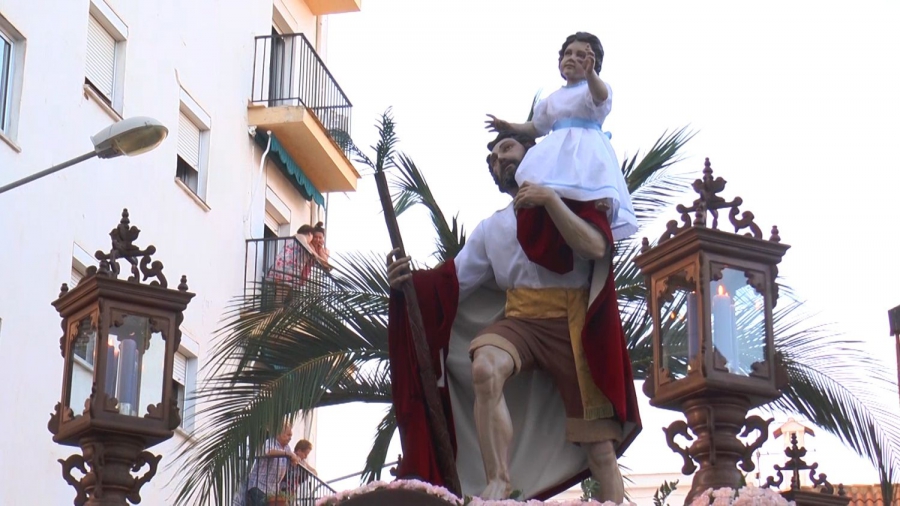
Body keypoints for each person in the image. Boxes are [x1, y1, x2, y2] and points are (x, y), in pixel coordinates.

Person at [386, 131, 640, 501]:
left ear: (533, 151)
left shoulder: (572, 201)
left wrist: (550, 199)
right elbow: (449, 282)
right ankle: (498, 481)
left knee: (600, 448)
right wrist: (406, 285)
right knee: (485, 367)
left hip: (574, 328)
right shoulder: (493, 228)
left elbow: (597, 246)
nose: (498, 160)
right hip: (521, 320)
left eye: (506, 148)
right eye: (491, 158)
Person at [485, 32, 637, 274]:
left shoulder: (593, 89)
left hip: (585, 152)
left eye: (581, 55)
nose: (572, 58)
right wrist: (509, 126)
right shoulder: (551, 100)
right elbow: (536, 127)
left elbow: (600, 97)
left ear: (593, 63)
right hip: (556, 154)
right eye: (568, 53)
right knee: (538, 185)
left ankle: (581, 218)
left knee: (584, 189)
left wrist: (590, 75)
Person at [239, 424, 301, 506]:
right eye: (288, 435)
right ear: (279, 433)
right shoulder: (271, 442)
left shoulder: (286, 447)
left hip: (271, 490)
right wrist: (287, 454)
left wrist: (295, 459)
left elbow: (293, 461)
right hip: (259, 486)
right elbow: (269, 451)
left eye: (291, 435)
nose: (290, 438)